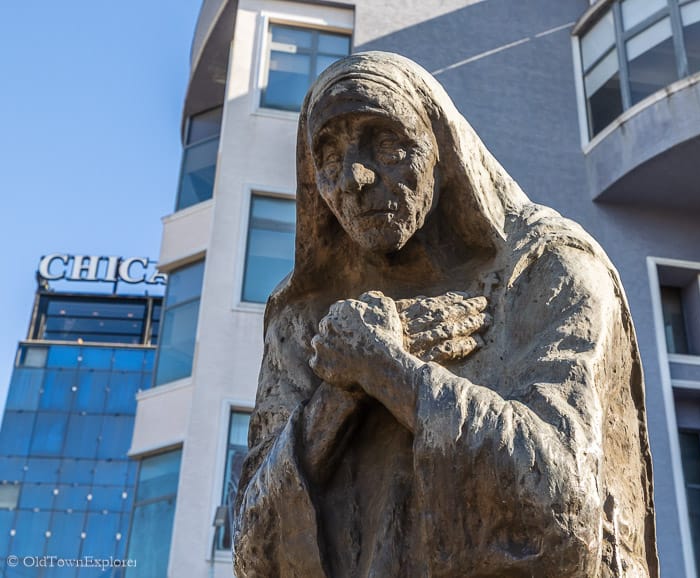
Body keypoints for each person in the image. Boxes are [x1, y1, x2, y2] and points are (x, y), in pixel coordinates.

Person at [233, 51, 658, 578]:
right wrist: (338, 394)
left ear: (442, 148)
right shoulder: (302, 321)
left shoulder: (547, 268)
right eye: (329, 157)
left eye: (387, 145)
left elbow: (564, 508)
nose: (355, 178)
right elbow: (253, 551)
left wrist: (388, 371)